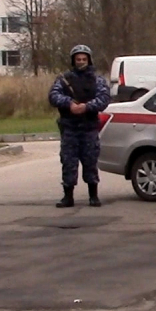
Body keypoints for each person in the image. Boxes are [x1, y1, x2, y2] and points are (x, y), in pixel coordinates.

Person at [48, 44, 110, 208]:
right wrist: (69, 104)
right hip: (70, 128)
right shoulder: (64, 79)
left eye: (84, 59)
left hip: (89, 128)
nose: (81, 62)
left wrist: (86, 106)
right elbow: (53, 96)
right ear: (73, 61)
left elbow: (104, 98)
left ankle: (93, 196)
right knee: (68, 162)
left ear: (89, 60)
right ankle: (68, 197)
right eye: (78, 59)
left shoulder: (98, 80)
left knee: (90, 162)